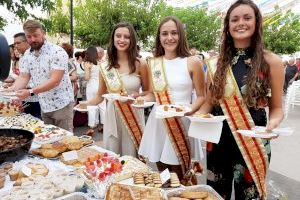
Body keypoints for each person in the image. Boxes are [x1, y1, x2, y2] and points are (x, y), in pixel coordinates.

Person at [200, 1, 284, 199]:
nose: (240, 23)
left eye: (247, 18)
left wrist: (273, 123)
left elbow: (277, 108)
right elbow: (208, 102)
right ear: (228, 26)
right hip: (218, 141)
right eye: (234, 19)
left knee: (248, 196)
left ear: (257, 22)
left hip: (252, 141)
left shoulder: (271, 61)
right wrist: (195, 116)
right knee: (215, 195)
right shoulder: (216, 63)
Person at [138, 16, 206, 182]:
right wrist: (140, 99)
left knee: (181, 173)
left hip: (182, 121)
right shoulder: (152, 63)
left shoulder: (192, 62)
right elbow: (154, 94)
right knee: (164, 173)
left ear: (181, 35)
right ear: (159, 37)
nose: (169, 38)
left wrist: (188, 110)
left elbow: (202, 95)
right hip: (159, 121)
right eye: (164, 33)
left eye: (174, 33)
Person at [79, 22, 150, 157]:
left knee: (133, 158)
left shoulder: (141, 63)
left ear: (132, 40)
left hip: (134, 116)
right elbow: (100, 95)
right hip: (113, 116)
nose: (122, 40)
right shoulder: (105, 66)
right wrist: (84, 105)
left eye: (126, 37)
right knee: (113, 158)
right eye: (118, 36)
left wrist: (139, 97)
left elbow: (149, 94)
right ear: (113, 38)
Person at [12, 20, 74, 131]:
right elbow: (23, 77)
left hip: (62, 104)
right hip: (44, 105)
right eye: (29, 37)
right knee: (48, 141)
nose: (33, 39)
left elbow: (55, 80)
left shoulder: (57, 52)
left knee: (66, 141)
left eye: (36, 35)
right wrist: (11, 94)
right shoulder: (27, 55)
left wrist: (30, 92)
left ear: (43, 33)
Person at [13, 32, 41, 118]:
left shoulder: (37, 56)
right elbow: (22, 77)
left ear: (27, 42)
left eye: (18, 43)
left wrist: (28, 89)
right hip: (25, 98)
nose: (16, 46)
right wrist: (13, 89)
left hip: (37, 98)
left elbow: (39, 79)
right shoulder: (22, 58)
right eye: (15, 44)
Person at [82, 46, 105, 136]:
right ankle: (103, 125)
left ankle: (92, 126)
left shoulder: (87, 63)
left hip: (91, 86)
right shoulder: (101, 63)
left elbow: (87, 78)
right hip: (100, 86)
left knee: (91, 105)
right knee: (102, 106)